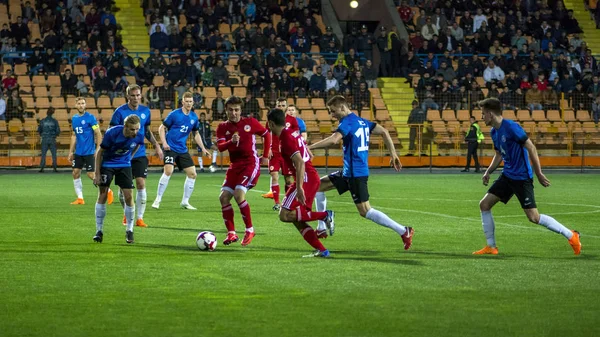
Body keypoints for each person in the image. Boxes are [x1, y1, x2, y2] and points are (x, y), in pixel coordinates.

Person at [474, 98, 581, 255]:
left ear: (490, 114)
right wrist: (488, 171)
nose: (482, 117)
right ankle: (491, 246)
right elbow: (499, 154)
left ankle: (572, 236)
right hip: (507, 176)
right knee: (484, 205)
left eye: (483, 114)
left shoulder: (511, 127)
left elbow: (531, 147)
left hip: (522, 177)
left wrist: (538, 173)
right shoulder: (494, 132)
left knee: (534, 217)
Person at [309, 96, 414, 249]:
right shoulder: (363, 122)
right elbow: (384, 131)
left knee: (365, 211)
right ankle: (321, 228)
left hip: (355, 174)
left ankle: (404, 231)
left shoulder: (347, 122)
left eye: (333, 111)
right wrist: (393, 154)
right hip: (348, 172)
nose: (332, 115)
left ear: (343, 108)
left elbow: (333, 140)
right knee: (318, 186)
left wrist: (308, 147)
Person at [267, 108, 334, 258]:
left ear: (271, 123)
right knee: (297, 217)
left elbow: (300, 163)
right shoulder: (291, 133)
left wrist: (299, 188)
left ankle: (324, 215)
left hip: (305, 179)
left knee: (284, 215)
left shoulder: (285, 139)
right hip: (308, 177)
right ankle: (322, 250)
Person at [216, 95, 271, 246]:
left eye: (236, 110)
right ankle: (231, 233)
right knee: (223, 198)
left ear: (241, 110)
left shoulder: (250, 122)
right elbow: (220, 147)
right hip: (234, 166)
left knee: (239, 194)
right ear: (226, 111)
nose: (234, 113)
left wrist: (265, 156)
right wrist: (230, 141)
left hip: (250, 164)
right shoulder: (222, 127)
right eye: (230, 110)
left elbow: (267, 134)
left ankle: (250, 230)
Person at [110, 84, 164, 228]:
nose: (135, 98)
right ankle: (127, 214)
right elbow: (112, 132)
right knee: (123, 190)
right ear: (127, 96)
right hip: (123, 154)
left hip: (139, 153)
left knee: (141, 183)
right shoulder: (119, 113)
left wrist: (157, 145)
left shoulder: (145, 111)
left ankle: (139, 218)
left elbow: (146, 131)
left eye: (138, 95)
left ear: (141, 95)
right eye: (132, 95)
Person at [152, 92, 211, 210]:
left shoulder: (194, 117)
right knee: (168, 171)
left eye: (190, 101)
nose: (189, 103)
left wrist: (203, 148)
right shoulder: (175, 114)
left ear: (193, 102)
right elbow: (161, 128)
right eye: (187, 101)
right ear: (182, 102)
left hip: (182, 149)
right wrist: (164, 143)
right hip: (170, 148)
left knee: (193, 174)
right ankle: (157, 199)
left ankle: (185, 201)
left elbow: (196, 133)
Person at [92, 115, 146, 244]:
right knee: (103, 195)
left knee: (128, 196)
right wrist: (97, 174)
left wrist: (129, 157)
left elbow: (138, 144)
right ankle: (99, 231)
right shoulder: (113, 133)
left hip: (124, 164)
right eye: (132, 129)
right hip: (108, 164)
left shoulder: (139, 135)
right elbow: (100, 152)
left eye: (137, 129)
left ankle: (130, 230)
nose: (135, 132)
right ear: (125, 127)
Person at [68, 97, 113, 205]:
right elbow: (74, 135)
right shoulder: (74, 119)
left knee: (91, 174)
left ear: (85, 105)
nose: (81, 105)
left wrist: (98, 149)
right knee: (75, 173)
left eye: (83, 103)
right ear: (75, 105)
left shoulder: (90, 118)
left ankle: (109, 191)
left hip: (89, 151)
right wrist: (71, 151)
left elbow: (98, 133)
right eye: (79, 103)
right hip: (78, 152)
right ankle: (80, 198)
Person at [261, 98, 300, 210]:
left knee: (288, 179)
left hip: (286, 153)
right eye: (279, 105)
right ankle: (277, 202)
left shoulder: (292, 120)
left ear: (286, 107)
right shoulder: (270, 120)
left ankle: (287, 201)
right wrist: (267, 149)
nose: (281, 107)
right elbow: (266, 135)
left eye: (283, 105)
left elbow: (296, 134)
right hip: (274, 153)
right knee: (274, 175)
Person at [38, 108, 60, 173]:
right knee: (54, 154)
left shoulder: (42, 121)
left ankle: (42, 167)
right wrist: (55, 135)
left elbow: (39, 130)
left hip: (44, 138)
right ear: (52, 113)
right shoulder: (55, 121)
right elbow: (58, 131)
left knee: (43, 154)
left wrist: (42, 135)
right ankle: (55, 167)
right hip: (52, 139)